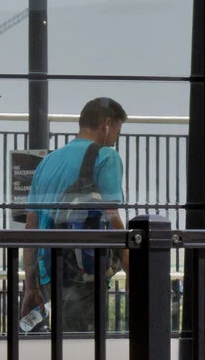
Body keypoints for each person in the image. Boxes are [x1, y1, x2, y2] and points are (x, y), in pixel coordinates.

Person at [20, 97, 127, 331]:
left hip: (49, 271)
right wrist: (131, 260)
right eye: (116, 133)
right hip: (85, 273)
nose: (114, 140)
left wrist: (30, 285)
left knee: (60, 346)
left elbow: (31, 226)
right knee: (86, 349)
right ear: (106, 124)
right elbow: (112, 214)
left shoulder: (46, 163)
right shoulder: (106, 157)